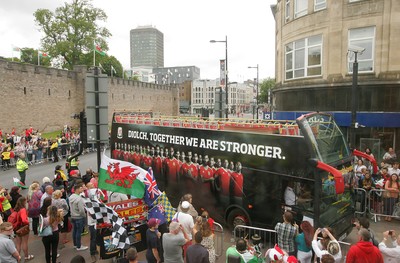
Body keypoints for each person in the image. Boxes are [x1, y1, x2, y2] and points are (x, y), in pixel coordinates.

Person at [13, 197, 34, 261]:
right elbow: (24, 220)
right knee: (24, 243)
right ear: (23, 202)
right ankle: (26, 257)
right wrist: (28, 223)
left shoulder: (16, 209)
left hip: (16, 227)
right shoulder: (23, 210)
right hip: (23, 228)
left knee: (18, 243)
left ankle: (18, 257)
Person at [69, 184, 88, 251]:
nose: (82, 189)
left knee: (74, 231)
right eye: (81, 188)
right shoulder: (79, 199)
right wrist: (84, 215)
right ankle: (79, 246)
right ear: (77, 189)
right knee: (78, 232)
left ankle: (75, 244)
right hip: (79, 217)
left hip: (73, 216)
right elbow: (81, 210)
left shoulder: (71, 197)